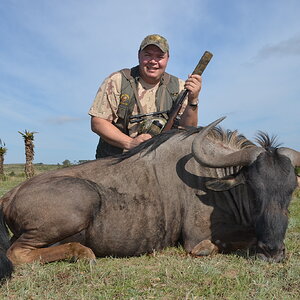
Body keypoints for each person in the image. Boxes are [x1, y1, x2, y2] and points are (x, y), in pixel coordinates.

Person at [89, 34, 202, 158]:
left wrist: (193, 99)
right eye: (148, 55)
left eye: (160, 56)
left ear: (167, 59)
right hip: (116, 163)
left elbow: (187, 130)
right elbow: (98, 122)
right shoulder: (117, 80)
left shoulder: (180, 87)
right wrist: (130, 143)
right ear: (139, 56)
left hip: (158, 162)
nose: (153, 61)